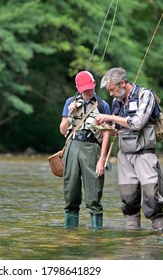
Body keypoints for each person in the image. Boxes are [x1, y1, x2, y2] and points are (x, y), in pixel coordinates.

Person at [95, 67, 163, 231]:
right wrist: (106, 126)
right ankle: (131, 240)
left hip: (144, 155)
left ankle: (159, 238)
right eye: (109, 91)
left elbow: (137, 123)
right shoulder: (116, 101)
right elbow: (117, 129)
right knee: (129, 200)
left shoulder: (145, 96)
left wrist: (109, 117)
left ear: (122, 83)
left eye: (112, 90)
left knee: (152, 198)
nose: (111, 94)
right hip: (124, 156)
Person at [59, 70, 111, 229]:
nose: (88, 90)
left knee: (94, 193)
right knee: (71, 191)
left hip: (93, 148)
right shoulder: (70, 102)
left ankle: (96, 234)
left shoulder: (103, 105)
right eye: (84, 89)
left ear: (94, 84)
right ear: (77, 87)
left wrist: (102, 159)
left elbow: (107, 133)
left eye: (90, 87)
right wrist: (70, 114)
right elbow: (62, 130)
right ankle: (71, 233)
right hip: (72, 146)